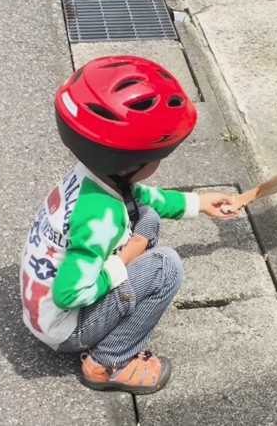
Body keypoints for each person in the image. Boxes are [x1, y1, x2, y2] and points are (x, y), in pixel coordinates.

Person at [20, 55, 237, 394]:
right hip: (64, 328)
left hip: (45, 309)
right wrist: (124, 261)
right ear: (130, 164)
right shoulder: (101, 218)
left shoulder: (93, 179)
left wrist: (197, 202)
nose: (160, 163)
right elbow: (68, 294)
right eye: (158, 157)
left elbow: (142, 199)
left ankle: (123, 306)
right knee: (166, 267)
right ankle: (107, 362)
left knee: (146, 218)